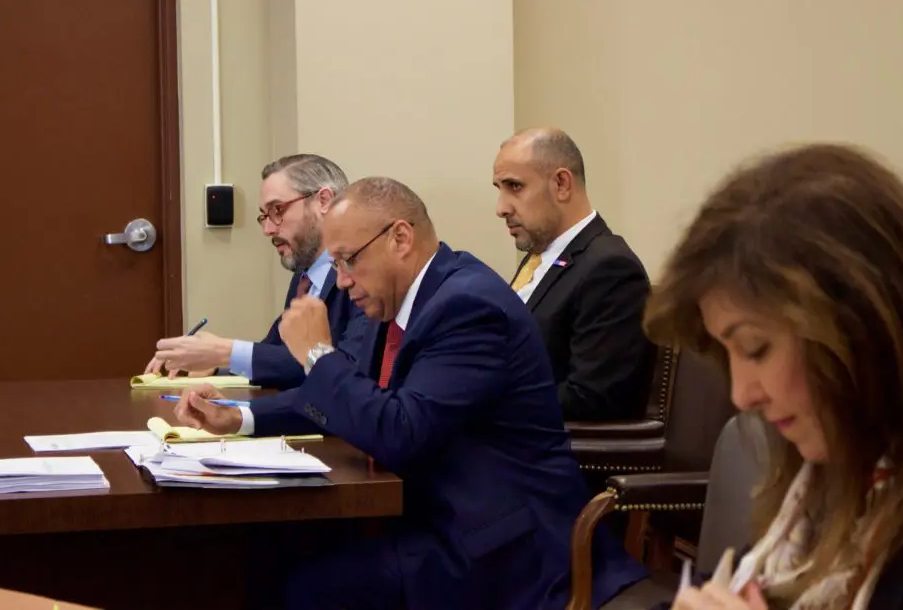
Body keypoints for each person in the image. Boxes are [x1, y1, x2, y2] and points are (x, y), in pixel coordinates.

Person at [174, 177, 647, 609]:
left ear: (400, 238)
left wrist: (319, 355)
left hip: (497, 546)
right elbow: (360, 394)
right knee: (263, 554)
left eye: (348, 260)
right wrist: (241, 421)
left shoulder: (467, 306)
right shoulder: (404, 299)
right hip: (431, 516)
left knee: (304, 584)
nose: (341, 281)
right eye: (336, 263)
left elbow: (399, 430)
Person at [641, 144, 903, 609]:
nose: (742, 395)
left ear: (861, 325)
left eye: (756, 349)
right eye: (729, 355)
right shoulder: (835, 468)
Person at [146, 154, 364, 389]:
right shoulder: (304, 278)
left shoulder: (362, 274)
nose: (268, 230)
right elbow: (280, 356)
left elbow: (342, 370)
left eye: (277, 210)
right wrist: (215, 364)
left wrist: (225, 352)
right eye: (264, 216)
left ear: (324, 201)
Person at [493, 127, 656, 421]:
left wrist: (485, 405)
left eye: (514, 187)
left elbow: (592, 398)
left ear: (561, 184)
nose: (501, 208)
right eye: (499, 189)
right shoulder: (540, 259)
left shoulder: (610, 269)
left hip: (552, 457)